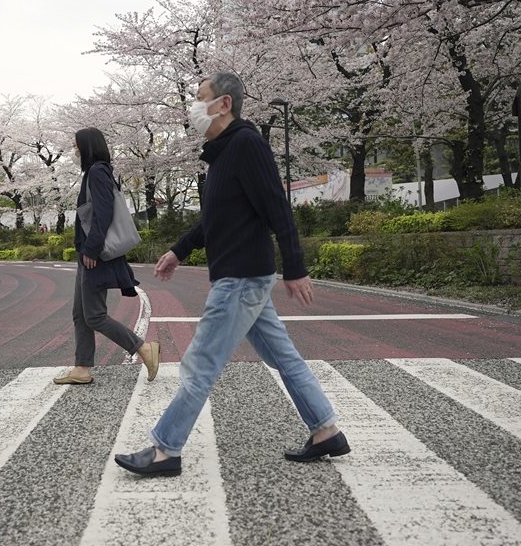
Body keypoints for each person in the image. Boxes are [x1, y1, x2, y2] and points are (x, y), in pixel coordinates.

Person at [114, 72, 349, 477]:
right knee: (285, 358)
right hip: (244, 277)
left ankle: (165, 450)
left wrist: (295, 267)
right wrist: (179, 249)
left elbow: (278, 207)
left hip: (240, 279)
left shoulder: (246, 144)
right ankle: (325, 429)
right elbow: (216, 219)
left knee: (199, 364)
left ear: (224, 104)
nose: (193, 106)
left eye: (200, 97)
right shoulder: (223, 154)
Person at [54, 127, 160, 386]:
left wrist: (92, 249)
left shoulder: (98, 171)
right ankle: (81, 368)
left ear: (88, 146)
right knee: (80, 314)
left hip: (94, 253)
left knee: (95, 315)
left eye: (76, 145)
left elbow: (104, 211)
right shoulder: (94, 172)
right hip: (87, 252)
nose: (74, 149)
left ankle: (144, 349)